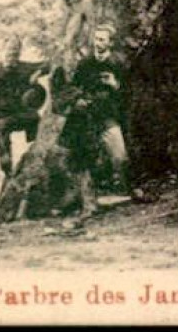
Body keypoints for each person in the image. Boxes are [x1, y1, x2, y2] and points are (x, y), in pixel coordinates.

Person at [55, 23, 144, 226]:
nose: (98, 43)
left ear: (110, 43)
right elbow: (74, 88)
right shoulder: (85, 64)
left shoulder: (118, 63)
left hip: (107, 116)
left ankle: (133, 190)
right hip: (86, 118)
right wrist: (78, 99)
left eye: (102, 39)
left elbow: (129, 94)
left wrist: (115, 84)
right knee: (82, 157)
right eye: (96, 39)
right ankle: (89, 204)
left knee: (119, 155)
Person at [0, 37, 48, 183]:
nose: (12, 55)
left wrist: (39, 73)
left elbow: (50, 64)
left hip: (21, 114)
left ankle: (34, 159)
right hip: (1, 116)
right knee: (1, 128)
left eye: (16, 52)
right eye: (10, 51)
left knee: (35, 119)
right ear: (2, 51)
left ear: (20, 53)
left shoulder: (25, 68)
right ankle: (7, 170)